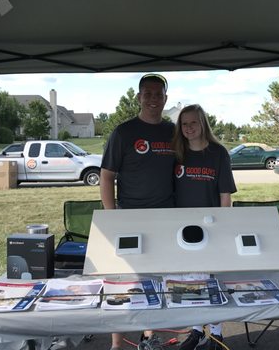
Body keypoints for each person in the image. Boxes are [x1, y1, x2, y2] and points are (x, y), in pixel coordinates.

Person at [100, 73, 175, 350]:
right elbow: (106, 176)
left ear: (165, 99)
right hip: (130, 215)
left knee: (155, 279)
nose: (153, 99)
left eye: (159, 94)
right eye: (148, 93)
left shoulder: (172, 131)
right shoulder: (124, 132)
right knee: (124, 280)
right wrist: (111, 218)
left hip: (166, 216)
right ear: (139, 97)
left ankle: (148, 335)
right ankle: (117, 343)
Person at [172, 104, 237, 350]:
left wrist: (223, 224)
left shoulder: (219, 153)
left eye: (193, 123)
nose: (188, 128)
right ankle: (197, 330)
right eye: (184, 124)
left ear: (203, 124)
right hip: (183, 227)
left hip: (211, 226)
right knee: (191, 280)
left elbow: (225, 194)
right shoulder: (176, 153)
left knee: (213, 279)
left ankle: (218, 334)